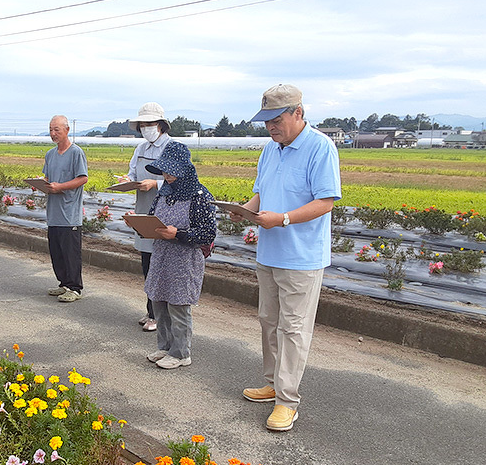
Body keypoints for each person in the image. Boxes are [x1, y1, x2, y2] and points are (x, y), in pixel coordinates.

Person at [232, 83, 342, 431]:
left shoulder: (319, 148)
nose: (271, 127)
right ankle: (273, 383)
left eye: (277, 120)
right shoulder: (271, 150)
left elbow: (325, 202)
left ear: (298, 113)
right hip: (270, 252)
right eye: (266, 122)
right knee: (269, 321)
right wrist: (245, 210)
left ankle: (287, 400)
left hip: (301, 257)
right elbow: (261, 194)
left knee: (293, 329)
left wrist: (282, 219)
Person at [142, 140, 216, 369]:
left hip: (184, 261)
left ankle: (181, 353)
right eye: (165, 170)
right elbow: (152, 216)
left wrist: (179, 234)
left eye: (172, 170)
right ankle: (164, 347)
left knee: (178, 306)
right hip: (161, 257)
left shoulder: (200, 196)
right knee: (159, 303)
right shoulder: (164, 193)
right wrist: (139, 224)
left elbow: (207, 233)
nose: (168, 175)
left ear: (185, 168)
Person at [121, 102, 173, 332]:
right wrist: (127, 181)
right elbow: (133, 172)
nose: (146, 128)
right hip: (144, 211)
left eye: (150, 124)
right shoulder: (140, 149)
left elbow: (182, 181)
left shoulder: (172, 148)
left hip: (163, 212)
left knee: (160, 265)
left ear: (161, 125)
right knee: (147, 264)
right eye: (142, 125)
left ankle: (159, 315)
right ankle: (151, 310)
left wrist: (156, 183)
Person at [43, 115, 88, 303]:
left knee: (70, 252)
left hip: (69, 213)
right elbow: (47, 178)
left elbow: (82, 178)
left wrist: (60, 187)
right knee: (57, 251)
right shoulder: (50, 155)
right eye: (51, 130)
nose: (53, 133)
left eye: (57, 130)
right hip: (53, 212)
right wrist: (41, 184)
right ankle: (63, 283)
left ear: (67, 130)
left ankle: (75, 287)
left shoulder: (76, 153)